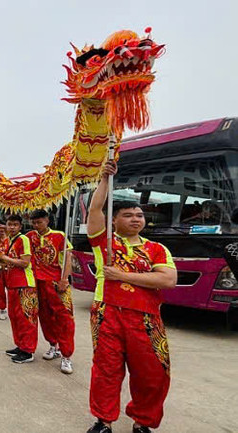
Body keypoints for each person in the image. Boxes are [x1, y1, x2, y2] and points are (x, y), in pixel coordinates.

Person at [85, 162, 177, 433]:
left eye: (139, 215)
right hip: (107, 313)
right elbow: (94, 210)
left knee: (153, 374)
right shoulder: (105, 243)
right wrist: (104, 178)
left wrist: (122, 276)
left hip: (147, 319)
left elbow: (168, 280)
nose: (136, 219)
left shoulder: (156, 249)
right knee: (106, 371)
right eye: (128, 215)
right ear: (114, 220)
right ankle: (103, 421)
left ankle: (143, 422)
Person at [26, 209, 75, 374]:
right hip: (37, 283)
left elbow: (69, 257)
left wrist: (65, 279)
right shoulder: (30, 236)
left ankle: (66, 356)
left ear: (47, 220)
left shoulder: (59, 236)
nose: (36, 225)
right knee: (44, 316)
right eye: (33, 222)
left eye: (39, 222)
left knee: (64, 318)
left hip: (55, 282)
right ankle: (53, 346)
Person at [0, 214, 38, 364]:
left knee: (26, 318)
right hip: (12, 284)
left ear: (20, 226)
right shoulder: (9, 241)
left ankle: (28, 350)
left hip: (25, 284)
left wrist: (4, 258)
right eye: (9, 224)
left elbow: (25, 262)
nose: (11, 227)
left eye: (15, 225)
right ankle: (20, 345)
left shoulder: (23, 239)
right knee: (15, 317)